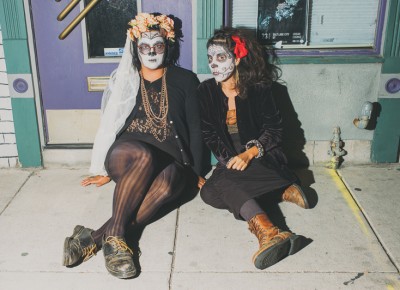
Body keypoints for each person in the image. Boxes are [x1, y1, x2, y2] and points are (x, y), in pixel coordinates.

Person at [62, 13, 210, 279]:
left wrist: (198, 169)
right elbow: (110, 122)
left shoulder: (185, 80)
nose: (151, 51)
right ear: (135, 48)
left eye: (158, 46)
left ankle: (93, 238)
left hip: (169, 159)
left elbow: (197, 129)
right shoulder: (126, 78)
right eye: (144, 46)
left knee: (167, 186)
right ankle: (118, 238)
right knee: (143, 156)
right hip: (127, 155)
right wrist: (104, 170)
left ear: (168, 46)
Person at [197, 27, 309, 270]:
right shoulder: (205, 91)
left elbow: (275, 131)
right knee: (209, 194)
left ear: (237, 59)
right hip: (233, 159)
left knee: (219, 186)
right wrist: (229, 160)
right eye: (210, 59)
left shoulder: (260, 88)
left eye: (221, 57)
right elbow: (209, 133)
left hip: (263, 155)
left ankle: (269, 232)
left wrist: (249, 154)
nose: (214, 65)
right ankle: (279, 191)